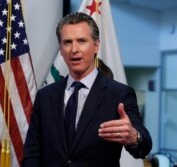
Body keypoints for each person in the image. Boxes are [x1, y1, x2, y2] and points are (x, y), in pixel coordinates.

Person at [21, 12, 152, 167]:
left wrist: (134, 137)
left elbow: (144, 146)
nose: (74, 49)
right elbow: (32, 153)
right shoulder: (45, 96)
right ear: (61, 49)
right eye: (67, 42)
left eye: (81, 41)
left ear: (96, 45)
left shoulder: (119, 94)